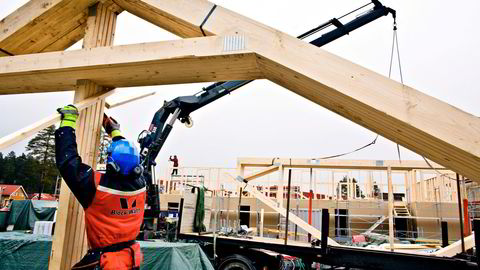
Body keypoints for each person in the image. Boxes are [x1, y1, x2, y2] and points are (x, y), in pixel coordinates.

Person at [55, 105, 146, 270]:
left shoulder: (96, 186)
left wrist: (68, 122)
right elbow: (127, 157)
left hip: (106, 262)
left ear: (111, 164)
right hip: (129, 257)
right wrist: (115, 133)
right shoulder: (141, 185)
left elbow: (68, 161)